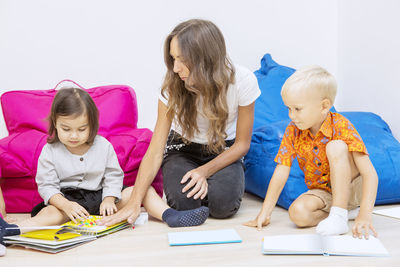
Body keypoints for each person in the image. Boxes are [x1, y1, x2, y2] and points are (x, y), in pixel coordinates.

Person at [99, 19, 260, 227]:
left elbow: (242, 144)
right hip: (183, 149)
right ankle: (200, 192)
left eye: (182, 59)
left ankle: (214, 186)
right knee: (184, 205)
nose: (175, 68)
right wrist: (134, 202)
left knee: (223, 206)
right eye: (173, 58)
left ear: (205, 59)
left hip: (223, 149)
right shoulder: (172, 87)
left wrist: (204, 172)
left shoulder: (243, 81)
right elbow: (155, 149)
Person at [0, 88, 209, 246]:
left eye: (82, 129)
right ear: (55, 124)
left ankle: (170, 215)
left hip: (101, 199)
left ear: (93, 125)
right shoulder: (50, 151)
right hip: (68, 202)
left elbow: (113, 175)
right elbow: (46, 186)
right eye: (66, 129)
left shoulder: (103, 145)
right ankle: (10, 230)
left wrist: (110, 198)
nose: (74, 136)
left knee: (142, 191)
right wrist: (65, 205)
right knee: (50, 215)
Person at [244, 66, 378, 239]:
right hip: (324, 193)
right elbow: (281, 170)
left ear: (324, 106)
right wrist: (265, 212)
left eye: (297, 109)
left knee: (335, 146)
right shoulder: (293, 131)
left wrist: (365, 215)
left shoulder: (340, 125)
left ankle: (339, 214)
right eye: (288, 108)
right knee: (297, 214)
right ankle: (343, 212)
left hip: (352, 187)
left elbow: (370, 174)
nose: (292, 115)